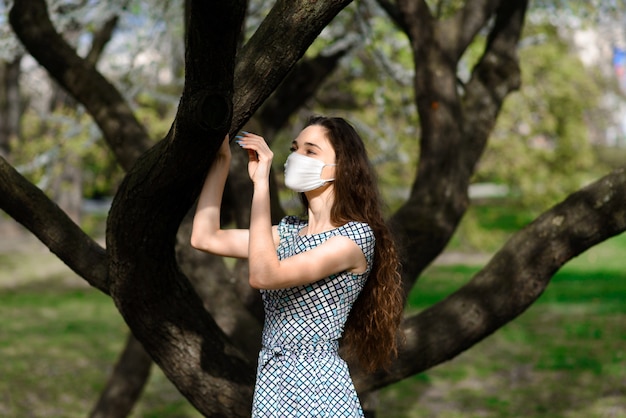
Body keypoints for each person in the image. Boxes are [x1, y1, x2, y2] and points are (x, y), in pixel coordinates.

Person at [191, 116, 404, 417]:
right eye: (294, 149)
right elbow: (205, 237)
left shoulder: (354, 238)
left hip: (317, 387)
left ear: (340, 169)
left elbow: (264, 275)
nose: (295, 157)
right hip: (271, 381)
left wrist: (261, 184)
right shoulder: (289, 232)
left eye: (310, 151)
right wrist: (221, 161)